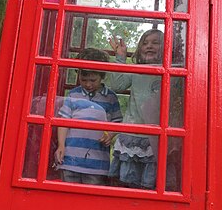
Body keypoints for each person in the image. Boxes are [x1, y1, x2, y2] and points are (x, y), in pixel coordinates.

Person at [54, 47, 122, 185]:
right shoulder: (74, 95)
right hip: (70, 159)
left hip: (97, 163)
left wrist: (110, 134)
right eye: (84, 80)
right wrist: (61, 146)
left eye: (93, 80)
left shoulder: (110, 98)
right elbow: (63, 121)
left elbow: (118, 122)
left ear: (102, 76)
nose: (88, 84)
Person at [108, 29, 164, 190]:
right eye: (145, 43)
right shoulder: (137, 70)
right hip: (131, 135)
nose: (149, 46)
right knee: (126, 185)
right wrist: (120, 57)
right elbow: (117, 85)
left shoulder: (173, 70)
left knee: (150, 185)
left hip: (155, 137)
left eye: (155, 42)